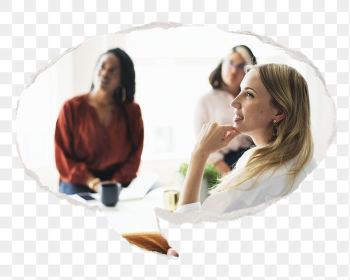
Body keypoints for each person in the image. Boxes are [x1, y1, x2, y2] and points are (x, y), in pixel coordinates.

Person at [176, 63, 316, 215]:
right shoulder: (302, 158)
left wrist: (199, 153)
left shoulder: (258, 181)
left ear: (279, 112)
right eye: (240, 91)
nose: (234, 102)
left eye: (249, 94)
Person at [55, 48, 144, 195]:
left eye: (113, 70)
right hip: (79, 180)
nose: (105, 73)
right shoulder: (71, 108)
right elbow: (63, 157)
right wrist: (93, 182)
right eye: (102, 66)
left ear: (123, 78)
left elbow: (135, 155)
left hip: (119, 181)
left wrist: (115, 182)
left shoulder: (131, 111)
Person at [194, 45, 257, 175]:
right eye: (231, 63)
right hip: (221, 163)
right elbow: (201, 141)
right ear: (222, 64)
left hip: (252, 158)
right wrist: (223, 169)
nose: (233, 71)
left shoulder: (256, 99)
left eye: (240, 66)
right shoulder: (206, 101)